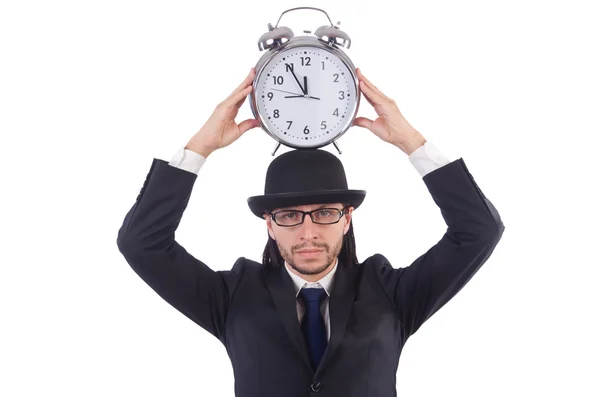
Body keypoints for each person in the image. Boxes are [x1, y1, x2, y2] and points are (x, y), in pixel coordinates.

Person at [117, 67, 505, 397]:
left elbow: (478, 230)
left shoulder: (392, 294)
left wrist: (411, 142)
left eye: (323, 213)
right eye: (289, 216)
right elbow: (142, 244)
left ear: (347, 218)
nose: (307, 232)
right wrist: (199, 148)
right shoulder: (233, 296)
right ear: (269, 224)